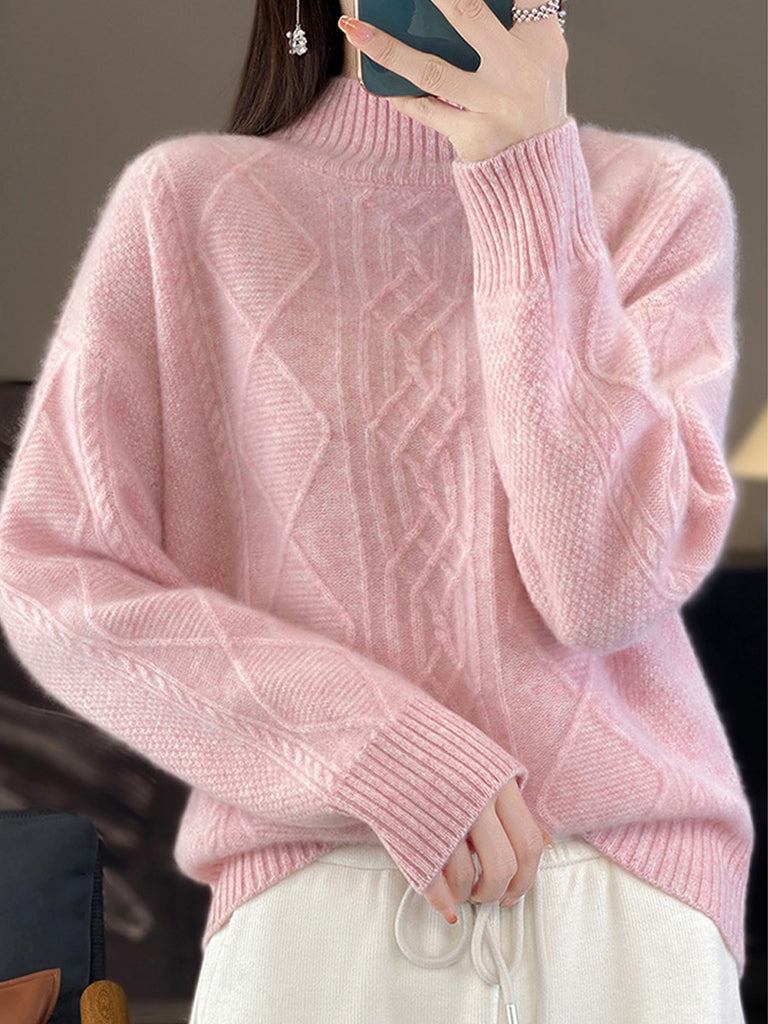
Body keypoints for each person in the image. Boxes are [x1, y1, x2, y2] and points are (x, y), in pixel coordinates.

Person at [0, 0, 753, 1020]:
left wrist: (530, 180)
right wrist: (380, 750)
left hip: (626, 903)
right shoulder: (190, 203)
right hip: (319, 902)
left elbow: (604, 592)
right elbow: (52, 574)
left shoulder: (658, 202)